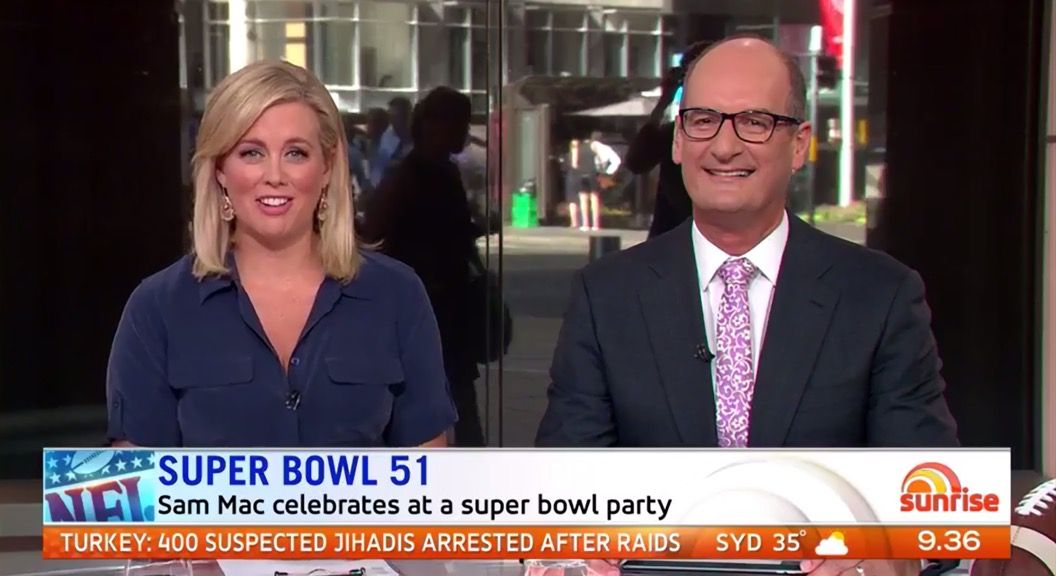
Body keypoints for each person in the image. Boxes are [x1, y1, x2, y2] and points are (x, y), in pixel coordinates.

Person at [536, 37, 957, 575]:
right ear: (678, 140)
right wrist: (572, 549)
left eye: (754, 122)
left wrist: (875, 554)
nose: (724, 147)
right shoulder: (607, 295)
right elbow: (562, 491)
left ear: (800, 144)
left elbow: (931, 505)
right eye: (703, 120)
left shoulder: (879, 295)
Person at [106, 60, 455, 448]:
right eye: (252, 153)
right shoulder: (157, 308)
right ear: (220, 170)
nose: (275, 175)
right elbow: (129, 484)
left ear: (327, 167)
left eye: (296, 153)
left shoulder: (396, 295)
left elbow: (431, 471)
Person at [370, 87, 487, 447]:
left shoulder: (442, 172)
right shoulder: (409, 177)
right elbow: (377, 233)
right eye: (458, 123)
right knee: (445, 403)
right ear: (433, 125)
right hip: (427, 304)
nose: (463, 132)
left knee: (459, 402)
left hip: (448, 304)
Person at [624, 42, 709, 239]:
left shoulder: (673, 132)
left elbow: (636, 162)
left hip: (674, 235)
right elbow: (636, 162)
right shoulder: (673, 132)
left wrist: (663, 102)